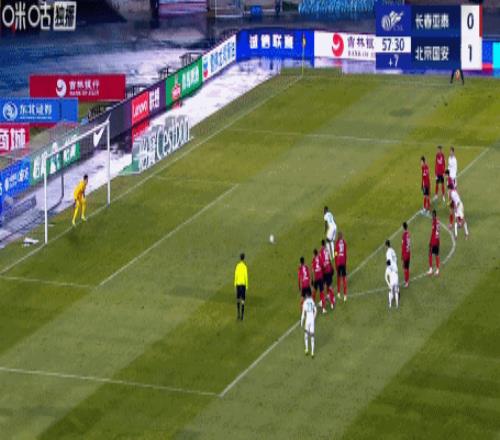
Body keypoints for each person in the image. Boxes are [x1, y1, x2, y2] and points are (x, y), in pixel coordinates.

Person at [300, 290, 317, 357]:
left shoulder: (305, 303)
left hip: (307, 320)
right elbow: (315, 310)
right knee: (312, 336)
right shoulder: (312, 301)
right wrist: (314, 318)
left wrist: (301, 323)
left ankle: (307, 349)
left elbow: (303, 314)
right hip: (312, 320)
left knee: (306, 335)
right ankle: (312, 353)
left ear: (306, 296)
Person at [320, 240, 335, 309]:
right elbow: (329, 260)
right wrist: (331, 267)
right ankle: (329, 296)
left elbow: (321, 263)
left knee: (327, 286)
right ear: (325, 244)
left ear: (321, 245)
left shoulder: (321, 252)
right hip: (329, 269)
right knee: (328, 285)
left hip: (325, 271)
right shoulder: (327, 250)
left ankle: (332, 301)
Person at [234, 253, 249, 320]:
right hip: (243, 285)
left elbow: (236, 275)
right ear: (244, 258)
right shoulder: (244, 266)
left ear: (240, 258)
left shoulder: (237, 266)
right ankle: (242, 316)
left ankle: (238, 314)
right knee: (243, 300)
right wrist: (247, 286)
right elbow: (246, 276)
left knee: (238, 299)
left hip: (238, 284)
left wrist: (235, 284)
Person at [335, 232, 348, 302]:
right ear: (342, 236)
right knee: (344, 278)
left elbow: (335, 253)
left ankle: (338, 293)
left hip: (338, 262)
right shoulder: (344, 242)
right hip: (343, 263)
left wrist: (336, 263)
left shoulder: (337, 243)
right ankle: (345, 295)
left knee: (338, 278)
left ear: (338, 236)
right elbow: (345, 253)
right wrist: (345, 263)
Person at [428, 210, 440, 276]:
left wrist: (431, 241)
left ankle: (431, 269)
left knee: (430, 254)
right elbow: (438, 231)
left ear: (434, 215)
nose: (432, 216)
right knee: (436, 255)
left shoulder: (434, 222)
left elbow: (434, 232)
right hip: (437, 240)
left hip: (434, 241)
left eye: (432, 215)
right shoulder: (437, 221)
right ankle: (437, 270)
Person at [401, 222, 411, 288]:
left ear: (403, 227)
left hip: (405, 254)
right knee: (407, 268)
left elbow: (403, 246)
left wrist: (402, 255)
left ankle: (406, 281)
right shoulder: (408, 234)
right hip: (408, 252)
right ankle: (407, 280)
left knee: (405, 268)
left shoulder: (404, 235)